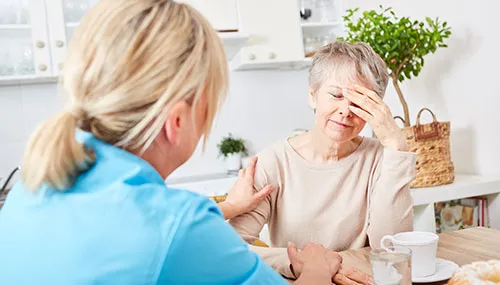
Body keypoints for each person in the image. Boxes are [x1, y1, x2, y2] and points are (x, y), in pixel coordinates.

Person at [0, 1, 351, 284]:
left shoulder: (35, 184)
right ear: (178, 121)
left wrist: (228, 207)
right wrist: (317, 267)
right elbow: (170, 233)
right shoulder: (179, 226)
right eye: (210, 105)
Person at [230, 41, 417, 279]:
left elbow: (391, 249)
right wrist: (300, 263)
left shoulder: (382, 159)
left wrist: (396, 146)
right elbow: (231, 251)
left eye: (360, 101)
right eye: (336, 95)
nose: (346, 110)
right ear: (313, 96)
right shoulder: (272, 162)